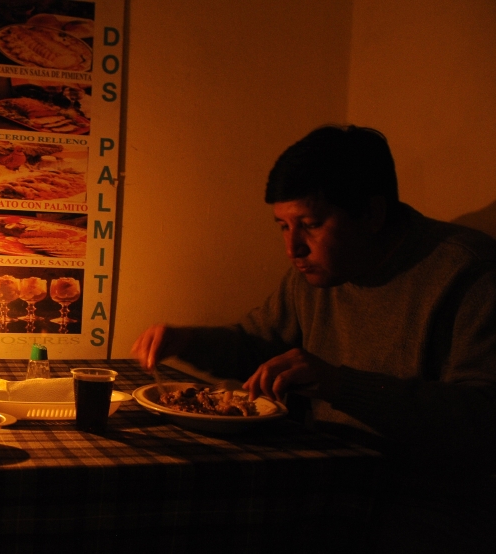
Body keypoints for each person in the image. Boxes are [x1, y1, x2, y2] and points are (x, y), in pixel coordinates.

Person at [131, 125, 496, 552]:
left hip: (423, 504)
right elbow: (257, 345)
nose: (293, 249)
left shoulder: (467, 272)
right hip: (320, 482)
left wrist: (341, 385)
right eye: (282, 227)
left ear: (372, 215)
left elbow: (483, 418)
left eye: (310, 224)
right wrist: (186, 341)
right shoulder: (316, 273)